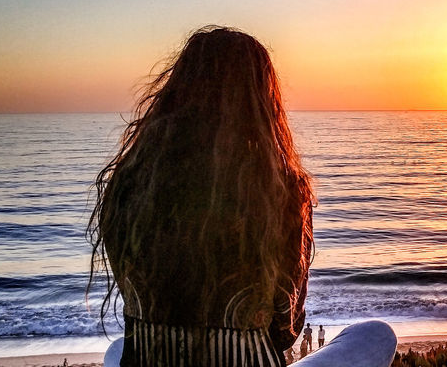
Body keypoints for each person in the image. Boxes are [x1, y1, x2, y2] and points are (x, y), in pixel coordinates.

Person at [89, 26, 396, 367]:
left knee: (118, 348)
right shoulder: (280, 195)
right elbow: (285, 331)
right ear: (261, 103)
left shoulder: (128, 187)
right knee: (377, 335)